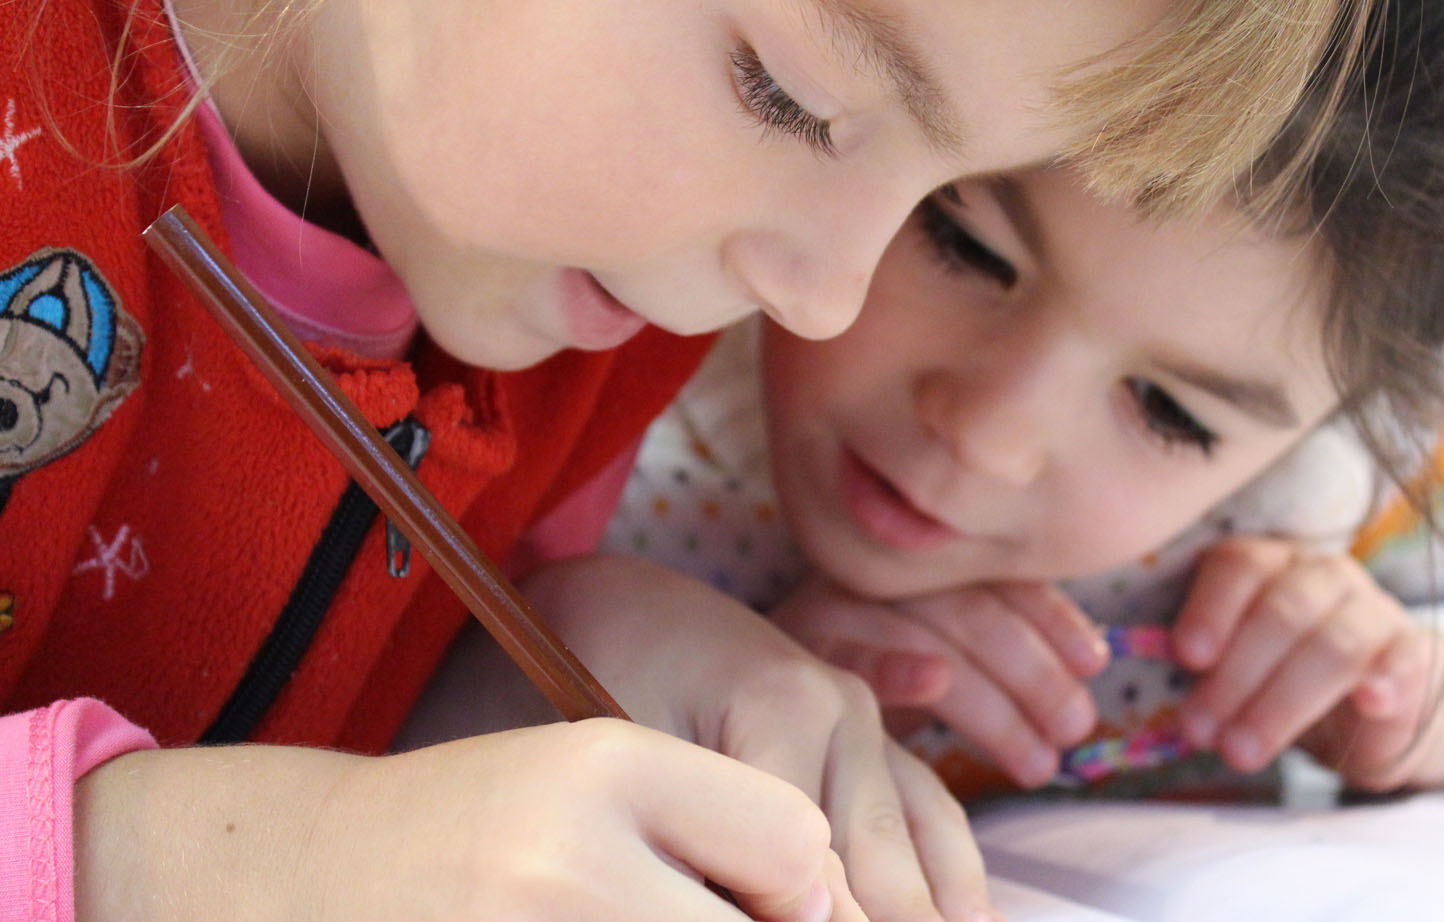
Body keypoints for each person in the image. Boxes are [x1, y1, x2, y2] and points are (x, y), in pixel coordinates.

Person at [0, 0, 1373, 920]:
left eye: (929, 195)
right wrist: (218, 867)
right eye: (789, 94)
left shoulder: (589, 303)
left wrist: (574, 650)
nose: (824, 298)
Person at [443, 0, 1444, 801]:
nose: (986, 434)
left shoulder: (1359, 474)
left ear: (1352, 413)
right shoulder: (633, 324)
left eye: (1173, 414)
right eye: (962, 245)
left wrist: (1437, 695)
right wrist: (647, 668)